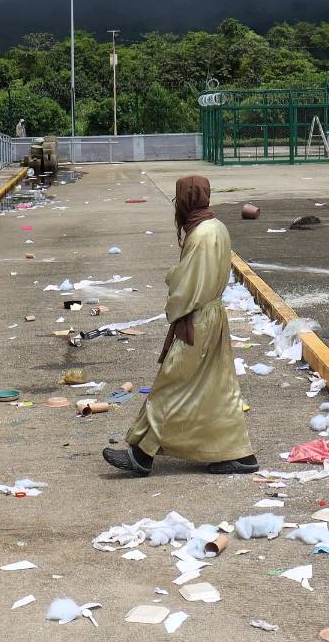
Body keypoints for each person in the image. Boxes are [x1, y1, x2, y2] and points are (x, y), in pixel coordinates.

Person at [103, 175, 257, 477]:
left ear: (186, 200)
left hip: (197, 319)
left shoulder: (200, 235)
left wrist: (172, 279)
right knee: (216, 388)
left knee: (170, 384)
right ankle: (239, 454)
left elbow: (185, 287)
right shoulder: (216, 227)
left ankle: (142, 455)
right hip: (212, 316)